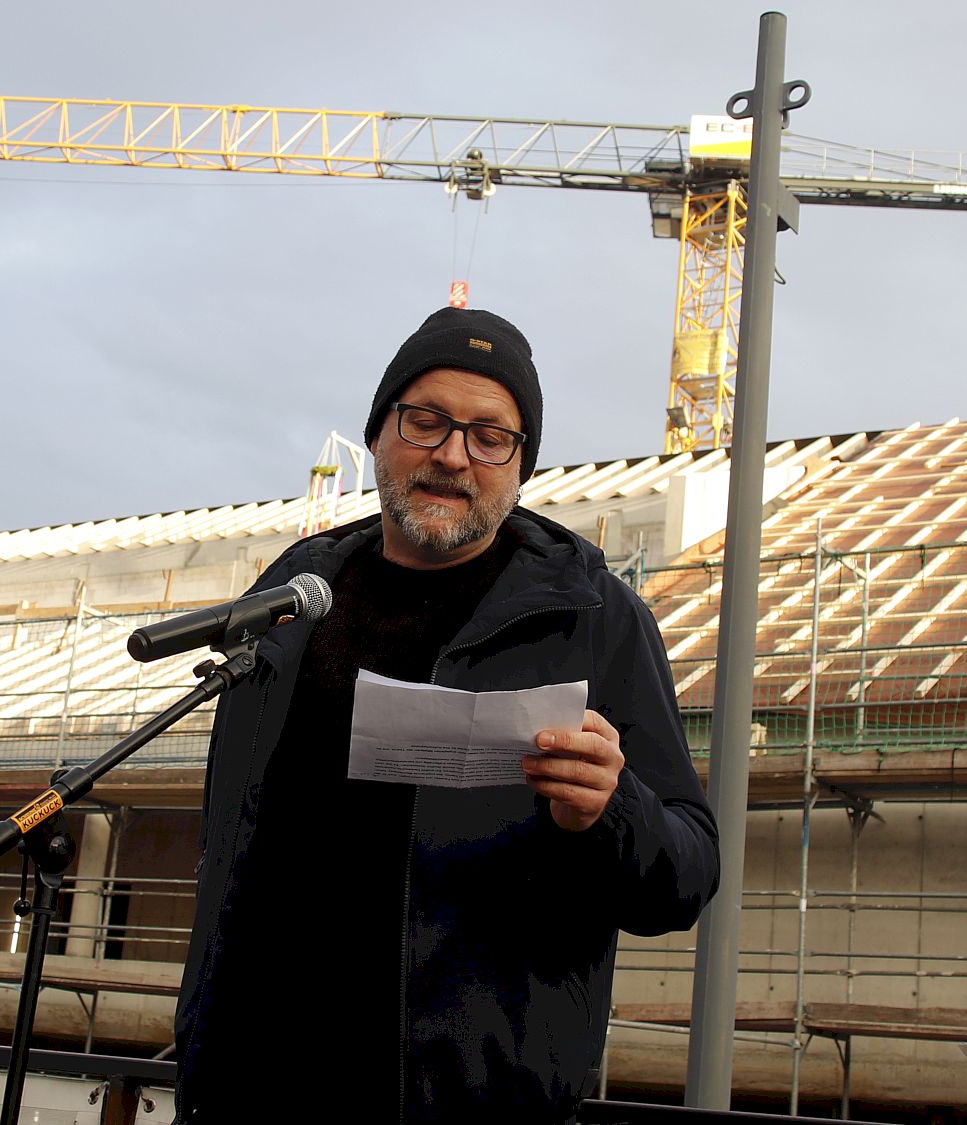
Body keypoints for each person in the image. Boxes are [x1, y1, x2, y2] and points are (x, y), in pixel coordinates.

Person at [172, 307, 720, 1123]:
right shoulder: (294, 595)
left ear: (521, 463)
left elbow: (687, 875)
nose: (452, 454)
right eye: (425, 420)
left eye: (489, 435)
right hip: (250, 1085)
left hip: (466, 1101)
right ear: (380, 433)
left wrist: (613, 810)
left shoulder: (594, 617)